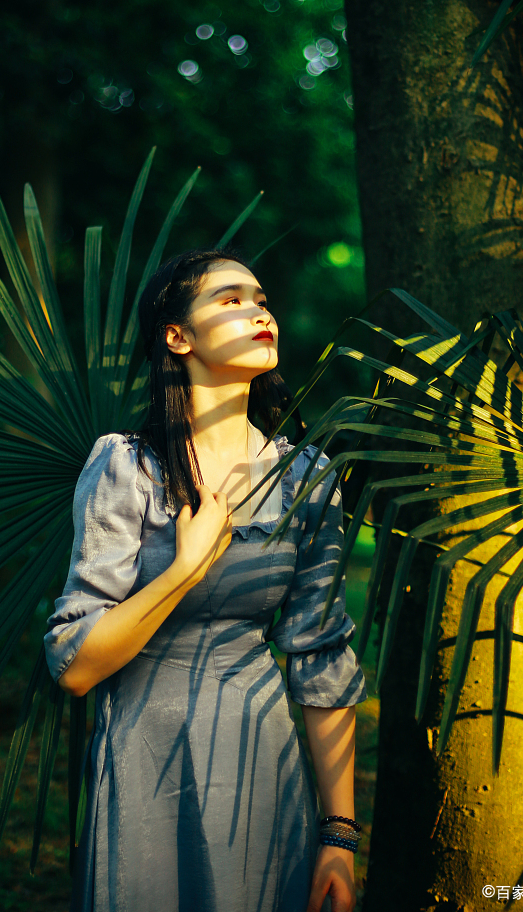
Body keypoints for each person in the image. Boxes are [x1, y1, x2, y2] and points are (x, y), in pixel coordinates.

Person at [44, 248, 367, 912]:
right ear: (178, 336)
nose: (259, 312)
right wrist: (184, 570)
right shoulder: (127, 466)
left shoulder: (307, 478)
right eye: (231, 300)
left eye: (261, 300)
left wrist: (339, 833)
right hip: (144, 755)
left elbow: (322, 656)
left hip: (263, 757)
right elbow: (75, 666)